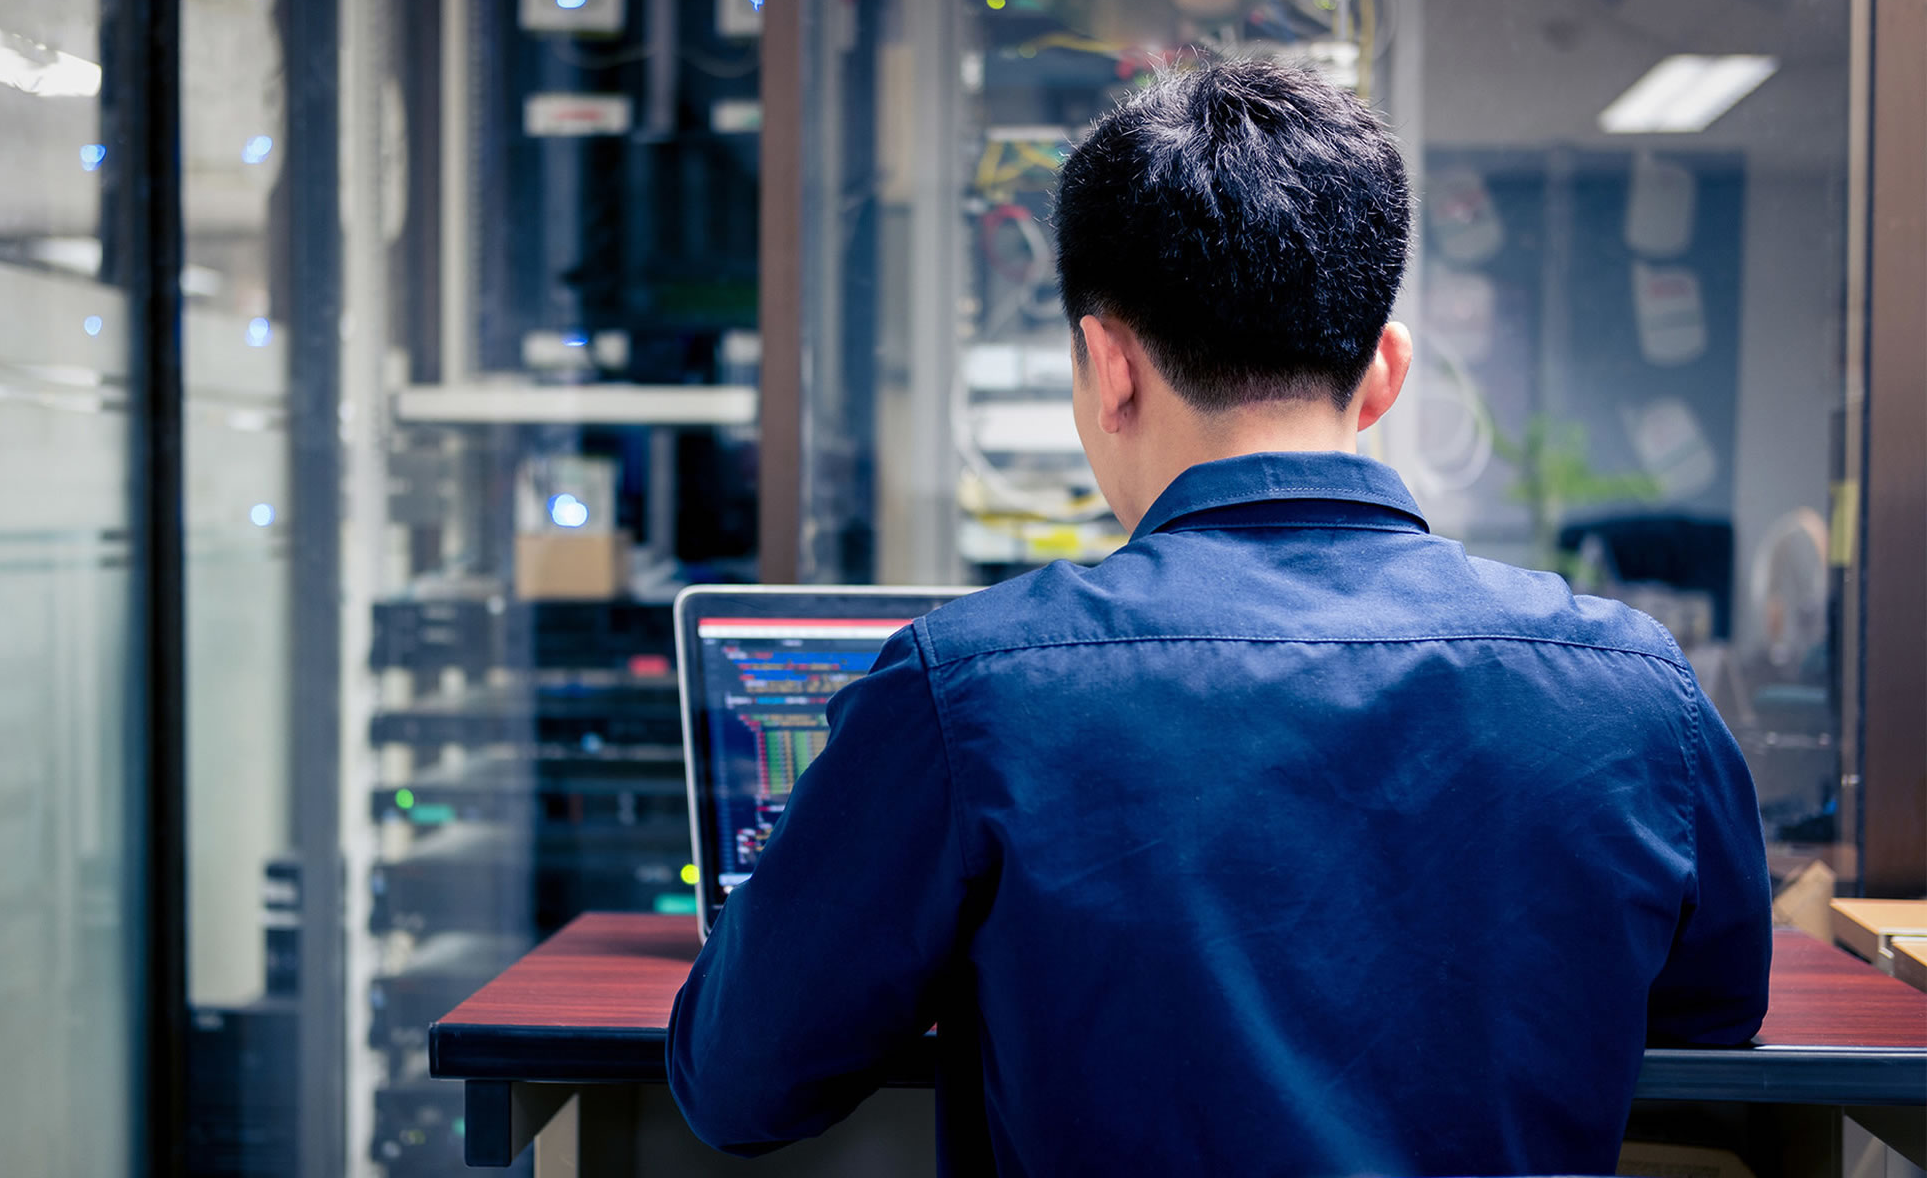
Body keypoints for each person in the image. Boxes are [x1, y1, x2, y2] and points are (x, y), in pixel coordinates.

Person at [666, 59, 1770, 1177]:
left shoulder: (970, 690)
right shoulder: (1635, 690)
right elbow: (1706, 1036)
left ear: (1107, 367)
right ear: (1382, 374)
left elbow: (740, 1083)